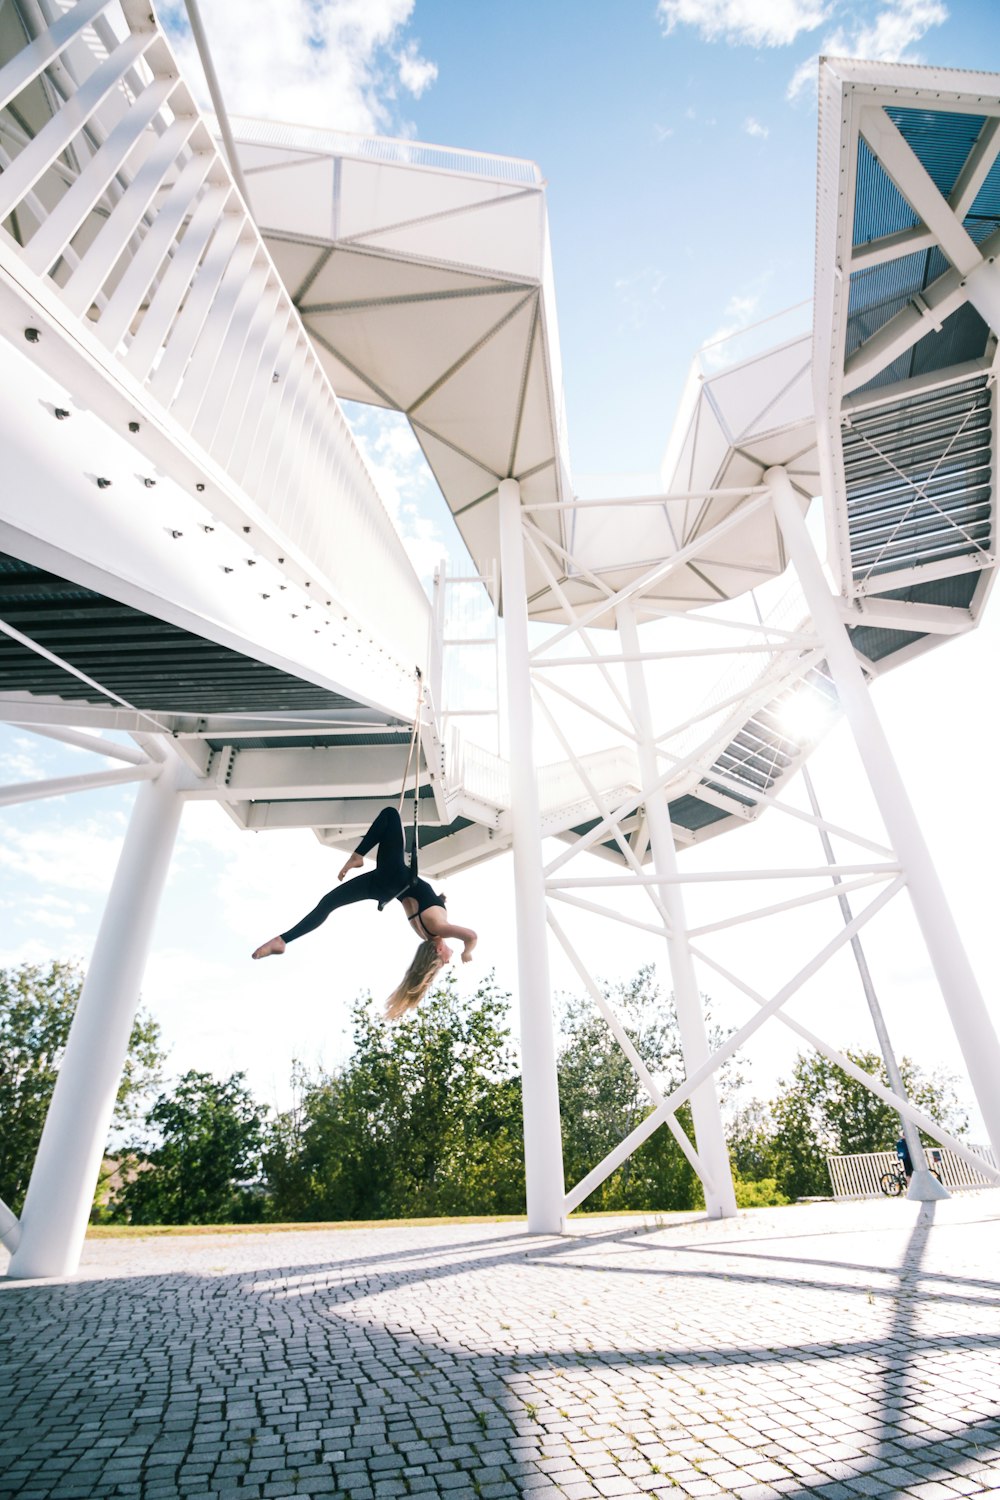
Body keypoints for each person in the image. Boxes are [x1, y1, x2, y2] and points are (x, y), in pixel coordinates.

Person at [252, 805, 477, 1019]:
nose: (449, 961)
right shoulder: (425, 933)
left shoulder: (437, 929)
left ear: (437, 949)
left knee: (390, 814)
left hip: (393, 877)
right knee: (328, 903)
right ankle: (282, 940)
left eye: (443, 962)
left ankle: (357, 856)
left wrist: (467, 952)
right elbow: (422, 904)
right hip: (385, 888)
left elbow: (471, 936)